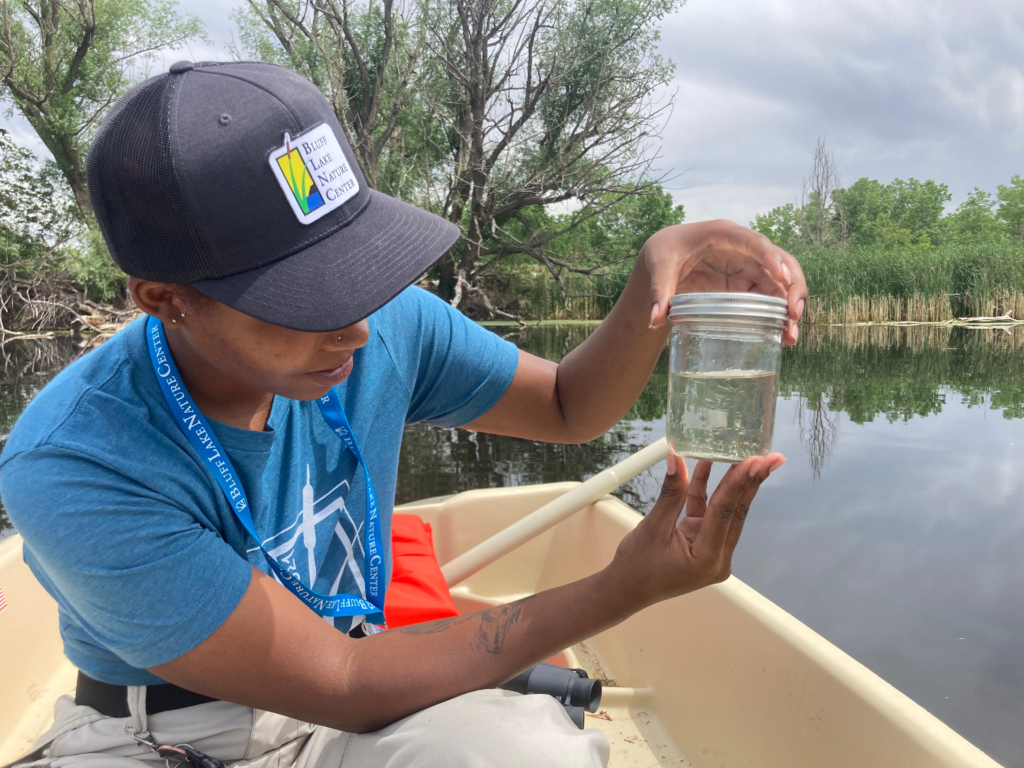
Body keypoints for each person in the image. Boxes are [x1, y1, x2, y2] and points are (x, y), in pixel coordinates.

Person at [0, 61, 806, 768]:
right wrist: (626, 584)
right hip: (168, 735)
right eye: (303, 299)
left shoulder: (380, 325)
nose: (355, 326)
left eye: (354, 270)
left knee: (529, 752)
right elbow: (346, 685)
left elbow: (567, 406)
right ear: (163, 298)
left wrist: (652, 281)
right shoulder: (75, 461)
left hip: (353, 672)